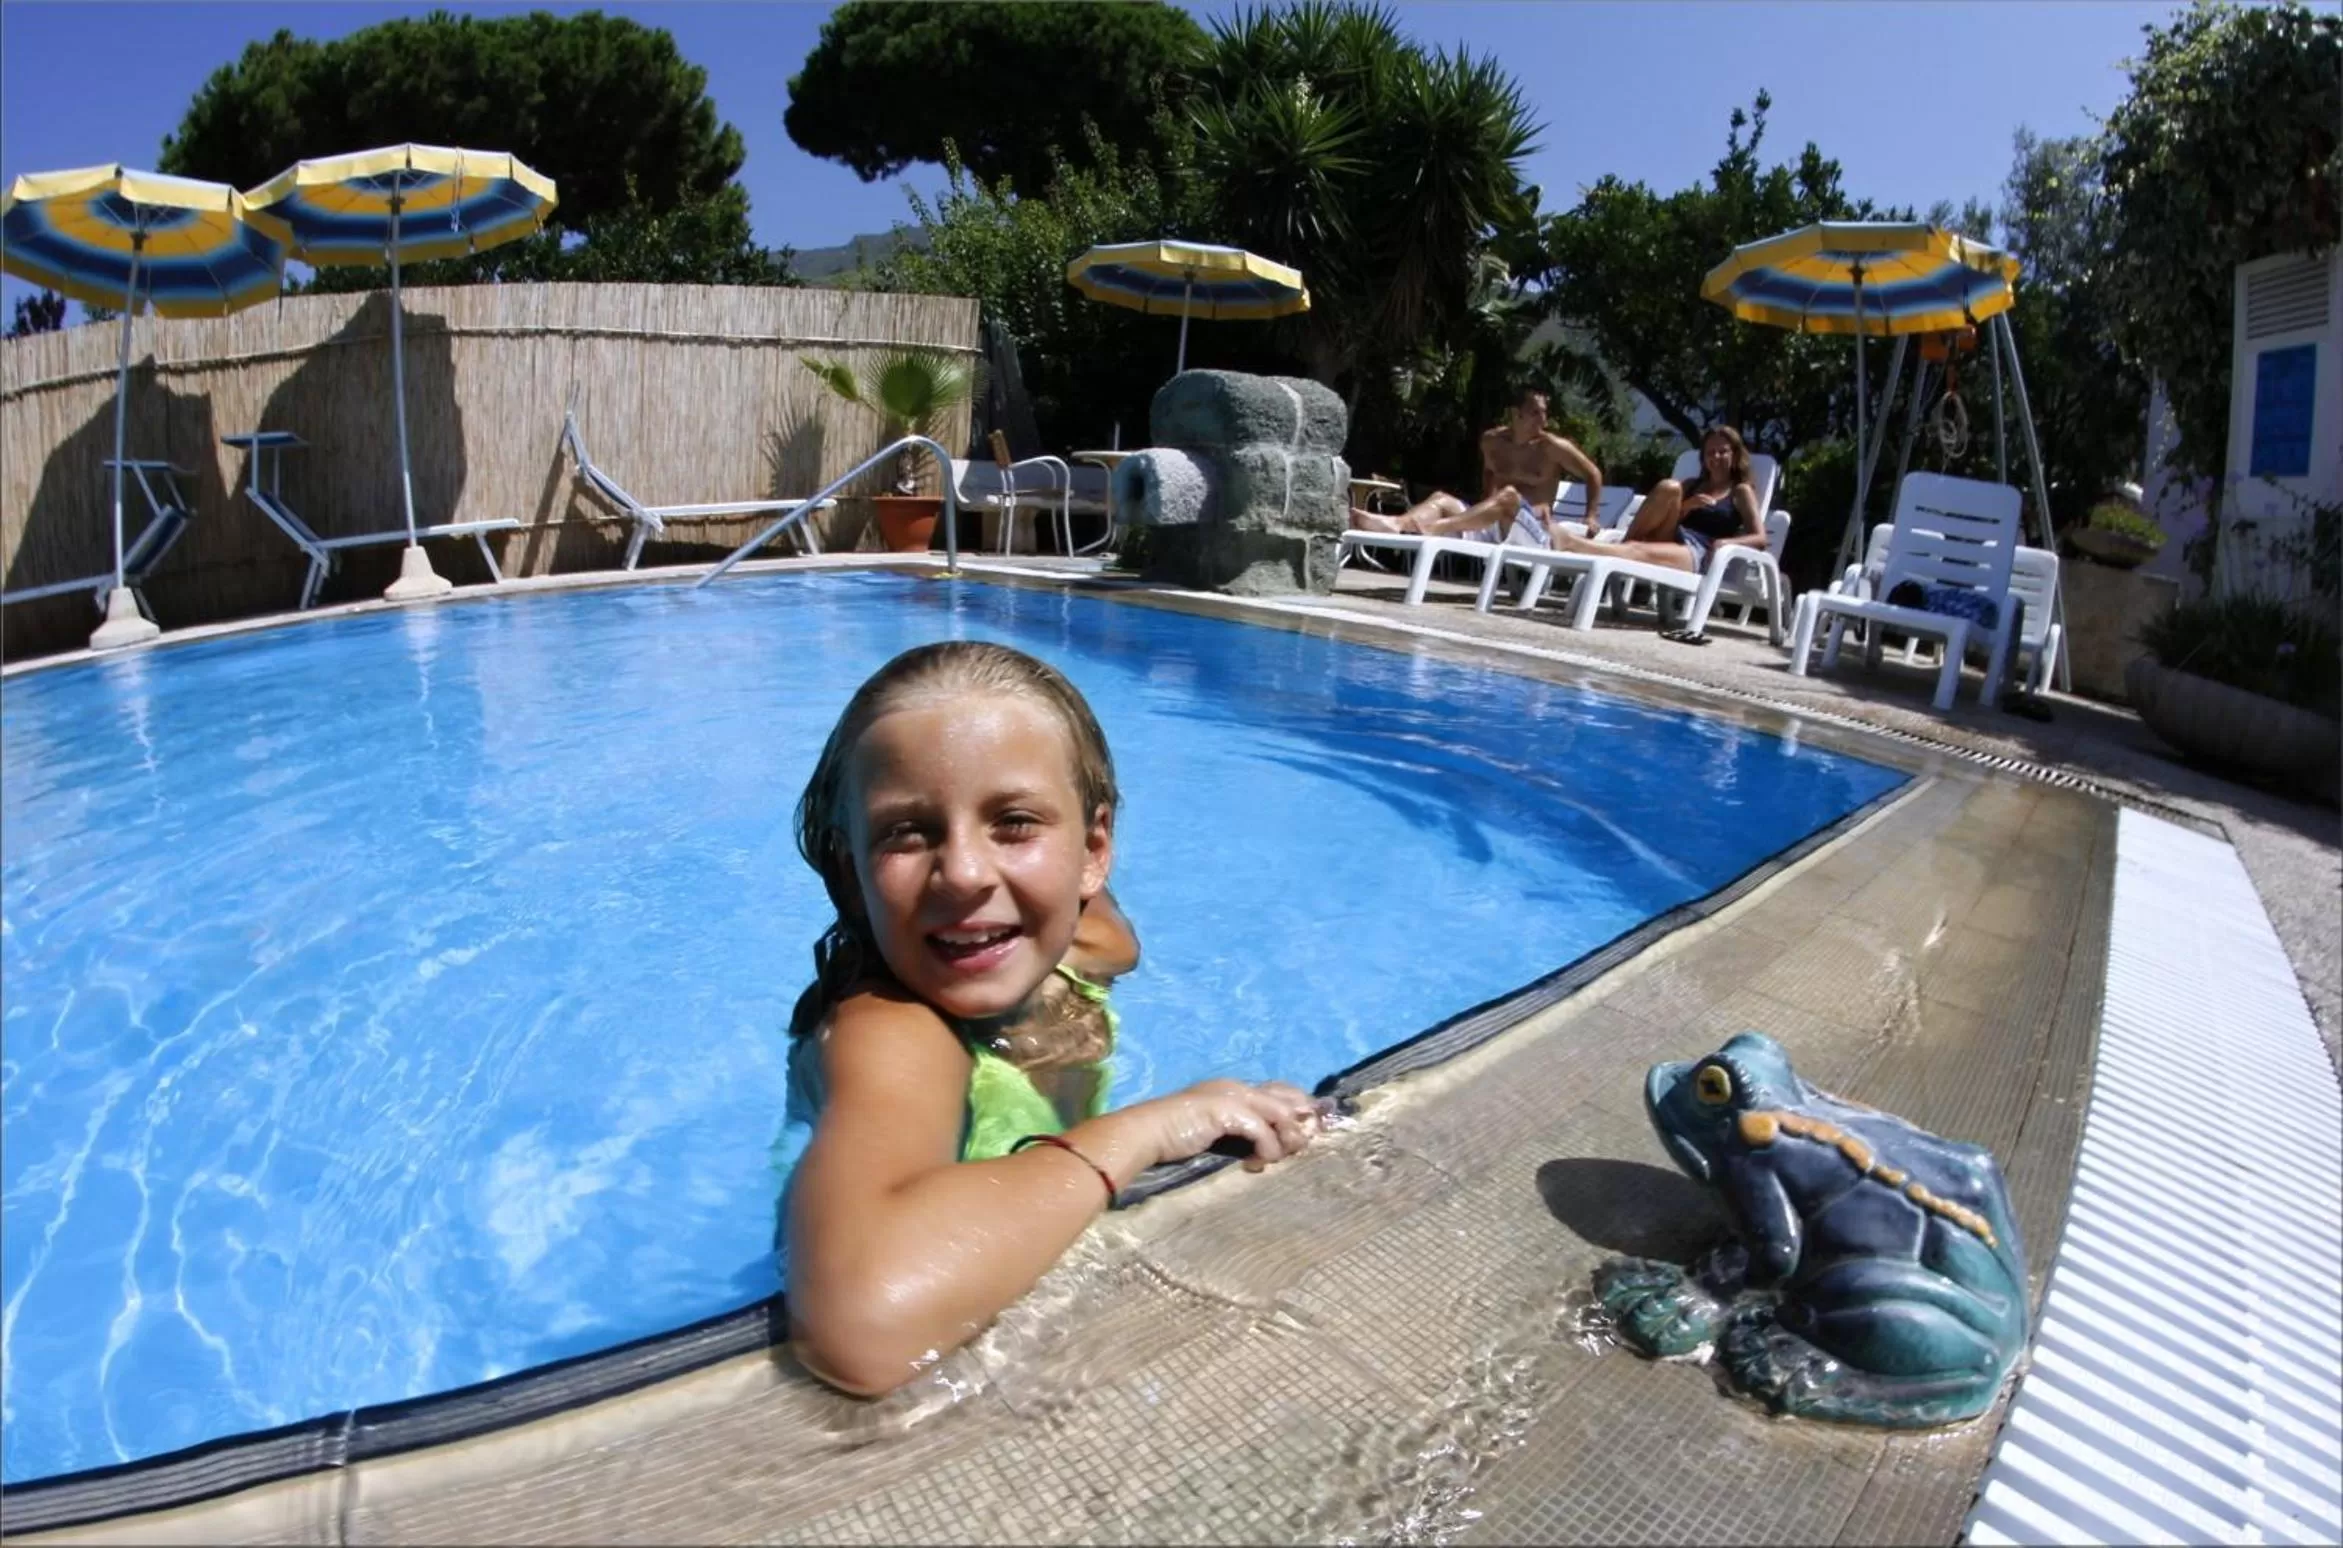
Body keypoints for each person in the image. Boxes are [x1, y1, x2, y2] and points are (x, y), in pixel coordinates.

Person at [782, 641, 1323, 1397]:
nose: (965, 874)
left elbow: (1112, 941)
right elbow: (863, 1325)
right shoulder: (893, 1030)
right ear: (851, 873)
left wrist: (1058, 886)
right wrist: (1143, 1131)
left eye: (1012, 822)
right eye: (907, 831)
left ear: (1093, 853)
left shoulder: (1080, 946)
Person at [1348, 387, 1606, 544]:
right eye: (1536, 412)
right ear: (1515, 413)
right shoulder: (1492, 441)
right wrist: (1485, 504)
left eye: (1545, 412)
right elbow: (1489, 474)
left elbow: (1592, 473)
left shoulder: (1552, 447)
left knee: (1509, 496)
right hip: (1492, 523)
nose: (1544, 420)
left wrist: (1591, 516)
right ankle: (1399, 525)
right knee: (1441, 499)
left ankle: (1432, 529)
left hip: (1531, 530)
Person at [1539, 424, 1766, 574]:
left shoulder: (1740, 491)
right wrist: (1687, 506)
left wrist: (1726, 543)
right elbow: (1670, 515)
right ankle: (1625, 541)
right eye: (1710, 452)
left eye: (1723, 451)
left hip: (1699, 551)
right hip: (1674, 536)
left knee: (1637, 550)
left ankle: (1570, 543)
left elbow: (1760, 537)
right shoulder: (1691, 485)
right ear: (1703, 457)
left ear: (1735, 455)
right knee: (1670, 488)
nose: (1716, 457)